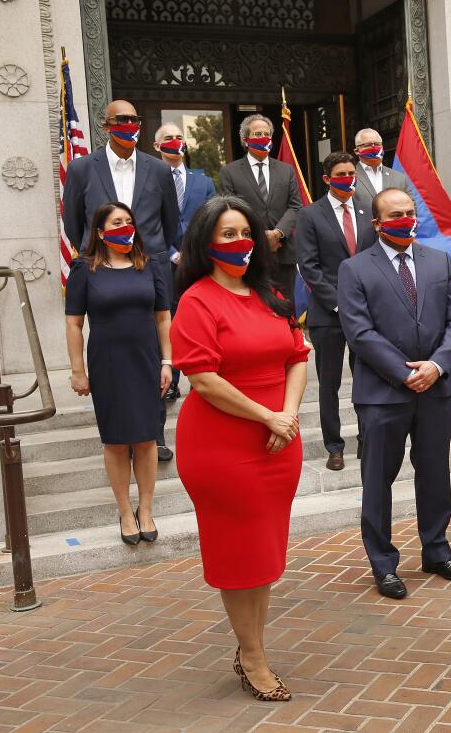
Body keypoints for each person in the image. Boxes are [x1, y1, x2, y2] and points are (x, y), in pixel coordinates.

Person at [170, 195, 309, 701]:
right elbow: (203, 379)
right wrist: (267, 415)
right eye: (227, 234)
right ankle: (252, 656)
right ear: (205, 243)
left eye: (245, 231)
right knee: (239, 552)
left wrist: (287, 415)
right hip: (223, 446)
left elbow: (298, 356)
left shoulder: (271, 293)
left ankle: (251, 644)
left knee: (265, 550)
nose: (240, 241)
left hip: (279, 440)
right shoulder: (197, 301)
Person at [338, 188, 451, 599]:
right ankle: (383, 563)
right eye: (395, 215)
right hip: (382, 394)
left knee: (435, 475)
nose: (405, 219)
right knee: (378, 480)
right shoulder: (354, 268)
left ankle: (436, 549)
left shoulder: (438, 260)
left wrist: (436, 366)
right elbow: (359, 332)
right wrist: (403, 372)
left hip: (436, 389)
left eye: (410, 213)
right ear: (377, 223)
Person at [63, 99, 180, 461]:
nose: (130, 125)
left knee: (151, 350)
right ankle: (118, 434)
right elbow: (73, 223)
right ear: (106, 125)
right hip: (103, 268)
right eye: (122, 120)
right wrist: (100, 253)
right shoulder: (83, 168)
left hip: (149, 266)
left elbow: (170, 222)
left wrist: (148, 254)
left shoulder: (158, 169)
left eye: (135, 119)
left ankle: (153, 434)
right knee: (114, 348)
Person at [64, 201, 171, 547]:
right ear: (100, 232)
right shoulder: (85, 269)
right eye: (116, 223)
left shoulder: (149, 265)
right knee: (115, 440)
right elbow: (74, 323)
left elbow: (163, 318)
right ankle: (125, 511)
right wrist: (77, 370)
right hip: (108, 363)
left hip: (145, 361)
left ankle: (146, 510)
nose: (124, 227)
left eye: (128, 221)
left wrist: (167, 362)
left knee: (145, 437)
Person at [294, 152, 377, 471]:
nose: (349, 178)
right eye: (341, 174)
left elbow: (374, 259)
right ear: (327, 179)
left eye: (351, 172)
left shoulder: (368, 210)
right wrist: (339, 302)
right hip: (328, 315)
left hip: (365, 313)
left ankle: (366, 439)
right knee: (329, 384)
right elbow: (309, 266)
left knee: (366, 379)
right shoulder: (311, 215)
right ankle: (334, 446)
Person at [155, 122, 216, 400]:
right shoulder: (151, 179)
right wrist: (170, 252)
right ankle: (172, 381)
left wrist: (194, 251)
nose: (175, 141)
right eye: (168, 138)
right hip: (162, 263)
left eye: (179, 137)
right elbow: (147, 221)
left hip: (198, 262)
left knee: (200, 320)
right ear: (157, 146)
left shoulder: (203, 181)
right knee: (168, 320)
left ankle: (202, 378)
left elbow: (213, 218)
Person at [217, 114, 303, 303]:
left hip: (283, 251)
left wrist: (277, 233)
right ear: (246, 140)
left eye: (267, 134)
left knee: (285, 304)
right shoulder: (229, 172)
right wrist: (259, 236)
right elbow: (229, 209)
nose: (263, 137)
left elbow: (296, 206)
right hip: (248, 251)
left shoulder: (286, 170)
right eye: (257, 134)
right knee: (253, 304)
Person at [352, 127, 416, 207]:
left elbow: (411, 207)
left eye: (377, 144)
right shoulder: (349, 176)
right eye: (368, 145)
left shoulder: (400, 178)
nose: (374, 147)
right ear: (357, 151)